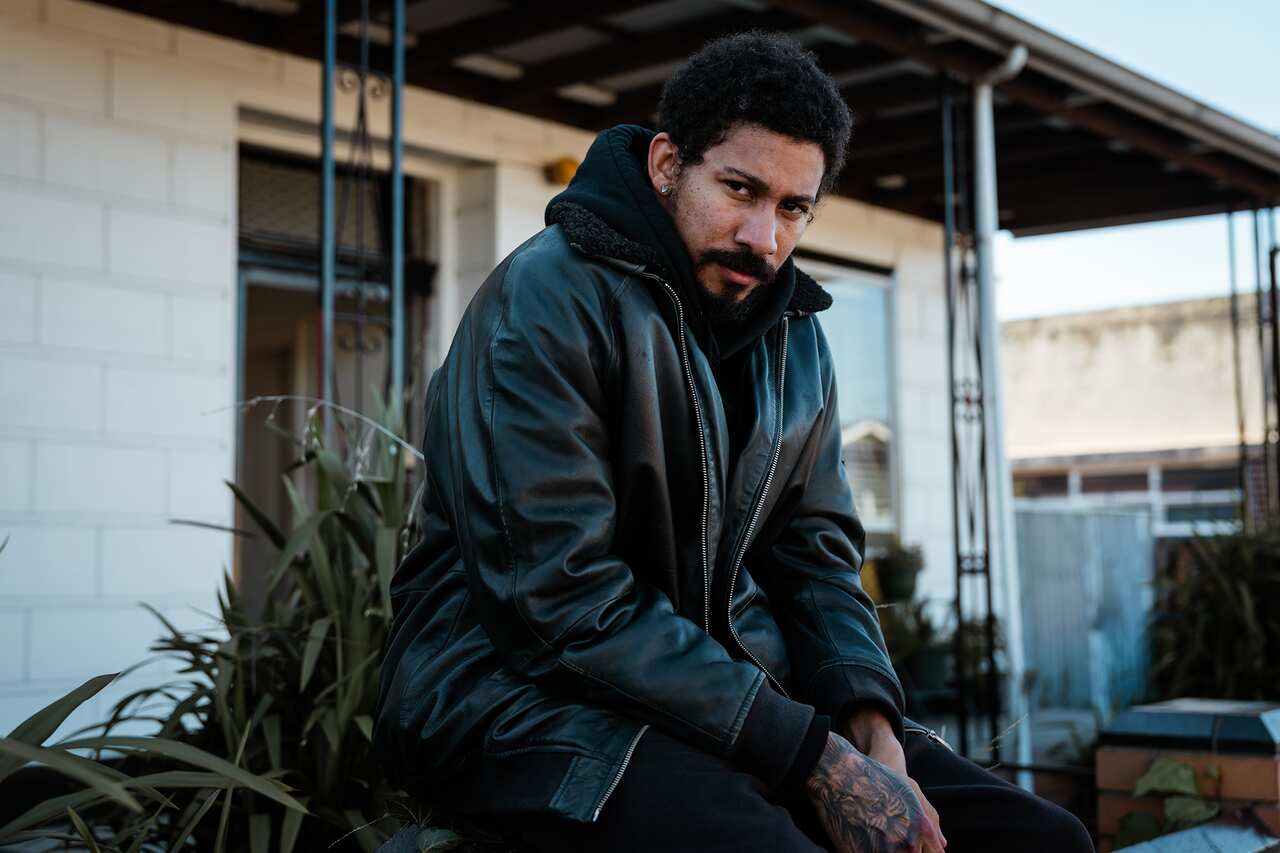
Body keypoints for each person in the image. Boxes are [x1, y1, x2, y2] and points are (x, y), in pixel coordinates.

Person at [373, 31, 1094, 853]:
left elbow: (815, 552)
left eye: (793, 208)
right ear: (666, 165)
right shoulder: (545, 299)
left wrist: (866, 713)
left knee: (1044, 839)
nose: (764, 236)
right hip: (508, 700)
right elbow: (560, 603)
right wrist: (805, 752)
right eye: (741, 188)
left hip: (730, 698)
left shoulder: (796, 336)